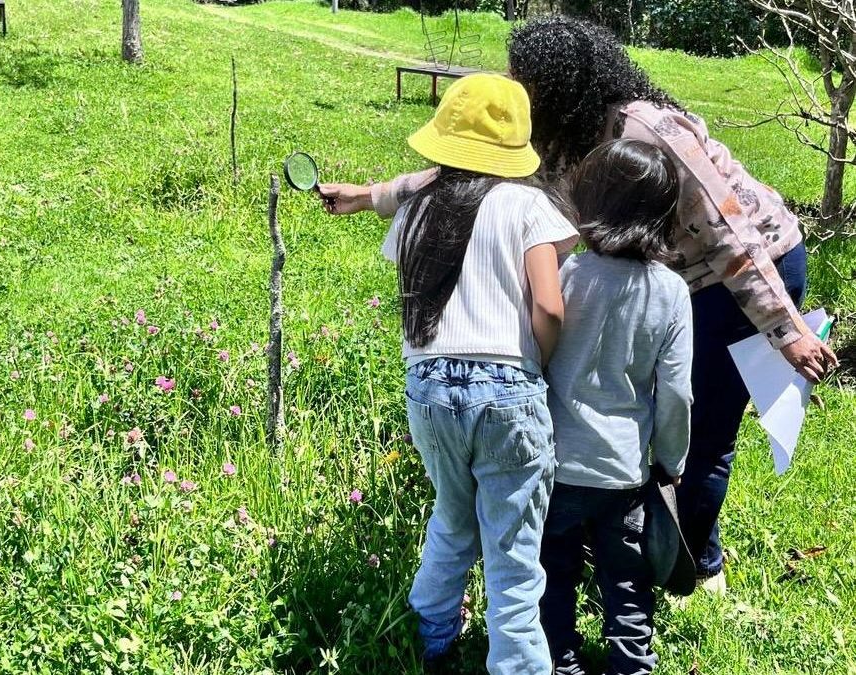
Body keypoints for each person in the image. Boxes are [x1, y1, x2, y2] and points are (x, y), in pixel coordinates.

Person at [318, 14, 837, 591]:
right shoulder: (553, 144)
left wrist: (785, 330)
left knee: (700, 427)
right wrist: (368, 196)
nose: (514, 86)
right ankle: (627, 532)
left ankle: (691, 568)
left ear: (560, 83)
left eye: (525, 77)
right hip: (663, 278)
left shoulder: (649, 131)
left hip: (745, 273)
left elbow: (729, 235)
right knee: (643, 411)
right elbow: (460, 175)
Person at [373, 73, 578, 673]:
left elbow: (414, 303)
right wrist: (537, 361)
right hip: (508, 390)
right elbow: (549, 305)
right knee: (514, 556)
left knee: (452, 516)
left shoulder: (415, 209)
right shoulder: (526, 205)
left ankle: (431, 640)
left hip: (429, 389)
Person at [540, 138, 692, 675]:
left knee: (554, 573)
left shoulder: (566, 273)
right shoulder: (670, 292)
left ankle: (560, 661)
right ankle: (632, 664)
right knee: (628, 580)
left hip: (556, 462)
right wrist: (670, 461)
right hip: (624, 469)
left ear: (590, 200)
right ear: (664, 213)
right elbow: (675, 393)